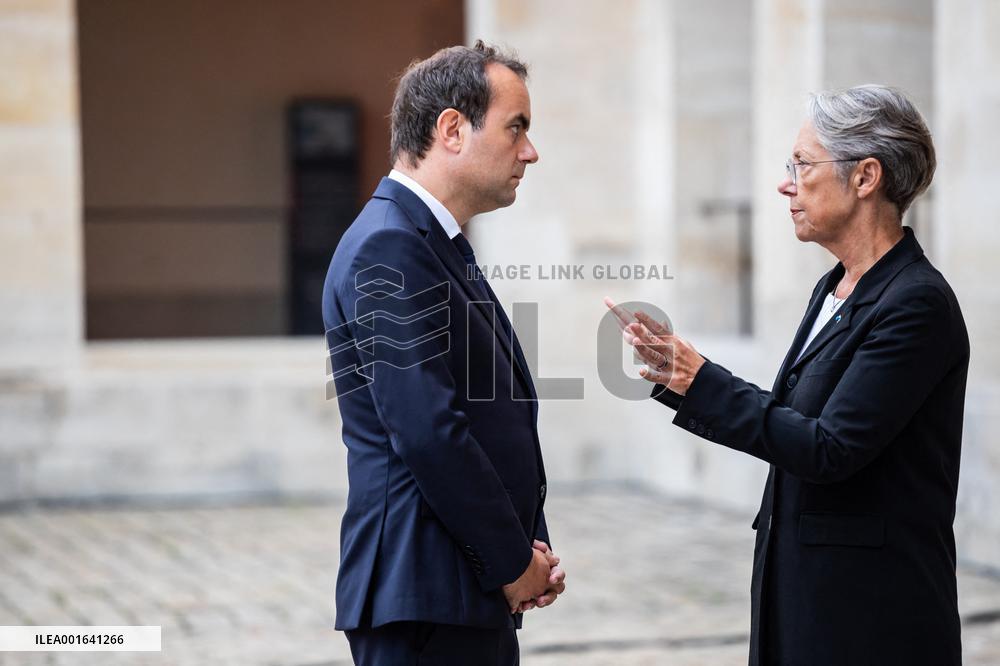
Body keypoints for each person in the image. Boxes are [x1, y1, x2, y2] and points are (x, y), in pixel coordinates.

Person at [609, 85, 968, 665]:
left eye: (802, 165)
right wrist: (686, 380)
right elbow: (792, 421)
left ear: (865, 176)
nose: (785, 183)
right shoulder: (834, 285)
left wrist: (701, 380)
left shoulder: (916, 303)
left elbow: (830, 447)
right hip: (802, 595)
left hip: (870, 616)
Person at [323, 41, 565, 665]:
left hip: (456, 590)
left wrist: (525, 551)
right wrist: (511, 562)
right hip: (425, 593)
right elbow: (429, 430)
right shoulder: (390, 245)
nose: (530, 151)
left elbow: (486, 417)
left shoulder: (431, 241)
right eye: (516, 128)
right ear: (452, 129)